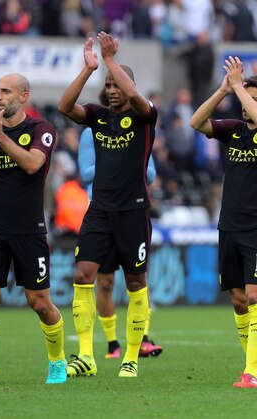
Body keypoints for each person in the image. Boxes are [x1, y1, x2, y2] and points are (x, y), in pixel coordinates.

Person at [58, 32, 158, 378]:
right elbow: (64, 107)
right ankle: (86, 355)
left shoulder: (146, 117)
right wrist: (89, 69)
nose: (112, 90)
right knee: (83, 275)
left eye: (117, 85)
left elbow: (136, 97)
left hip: (133, 212)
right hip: (98, 211)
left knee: (134, 283)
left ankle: (131, 355)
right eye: (108, 85)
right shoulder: (99, 117)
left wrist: (112, 60)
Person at [0, 73, 67, 385]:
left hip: (29, 229)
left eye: (5, 91)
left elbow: (33, 164)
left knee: (39, 303)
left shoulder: (40, 129)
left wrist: (0, 138)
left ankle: (57, 362)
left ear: (23, 96)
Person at [190, 56, 257, 388]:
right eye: (245, 99)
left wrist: (238, 87)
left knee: (256, 294)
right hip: (228, 226)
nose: (246, 107)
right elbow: (196, 122)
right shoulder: (232, 130)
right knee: (237, 299)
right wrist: (223, 90)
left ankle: (249, 372)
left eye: (255, 100)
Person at [78, 90, 162, 359]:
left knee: (138, 279)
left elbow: (150, 172)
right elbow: (85, 171)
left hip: (131, 208)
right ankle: (112, 343)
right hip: (101, 209)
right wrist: (114, 161)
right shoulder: (91, 130)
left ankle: (143, 339)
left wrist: (128, 161)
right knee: (103, 282)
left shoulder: (140, 125)